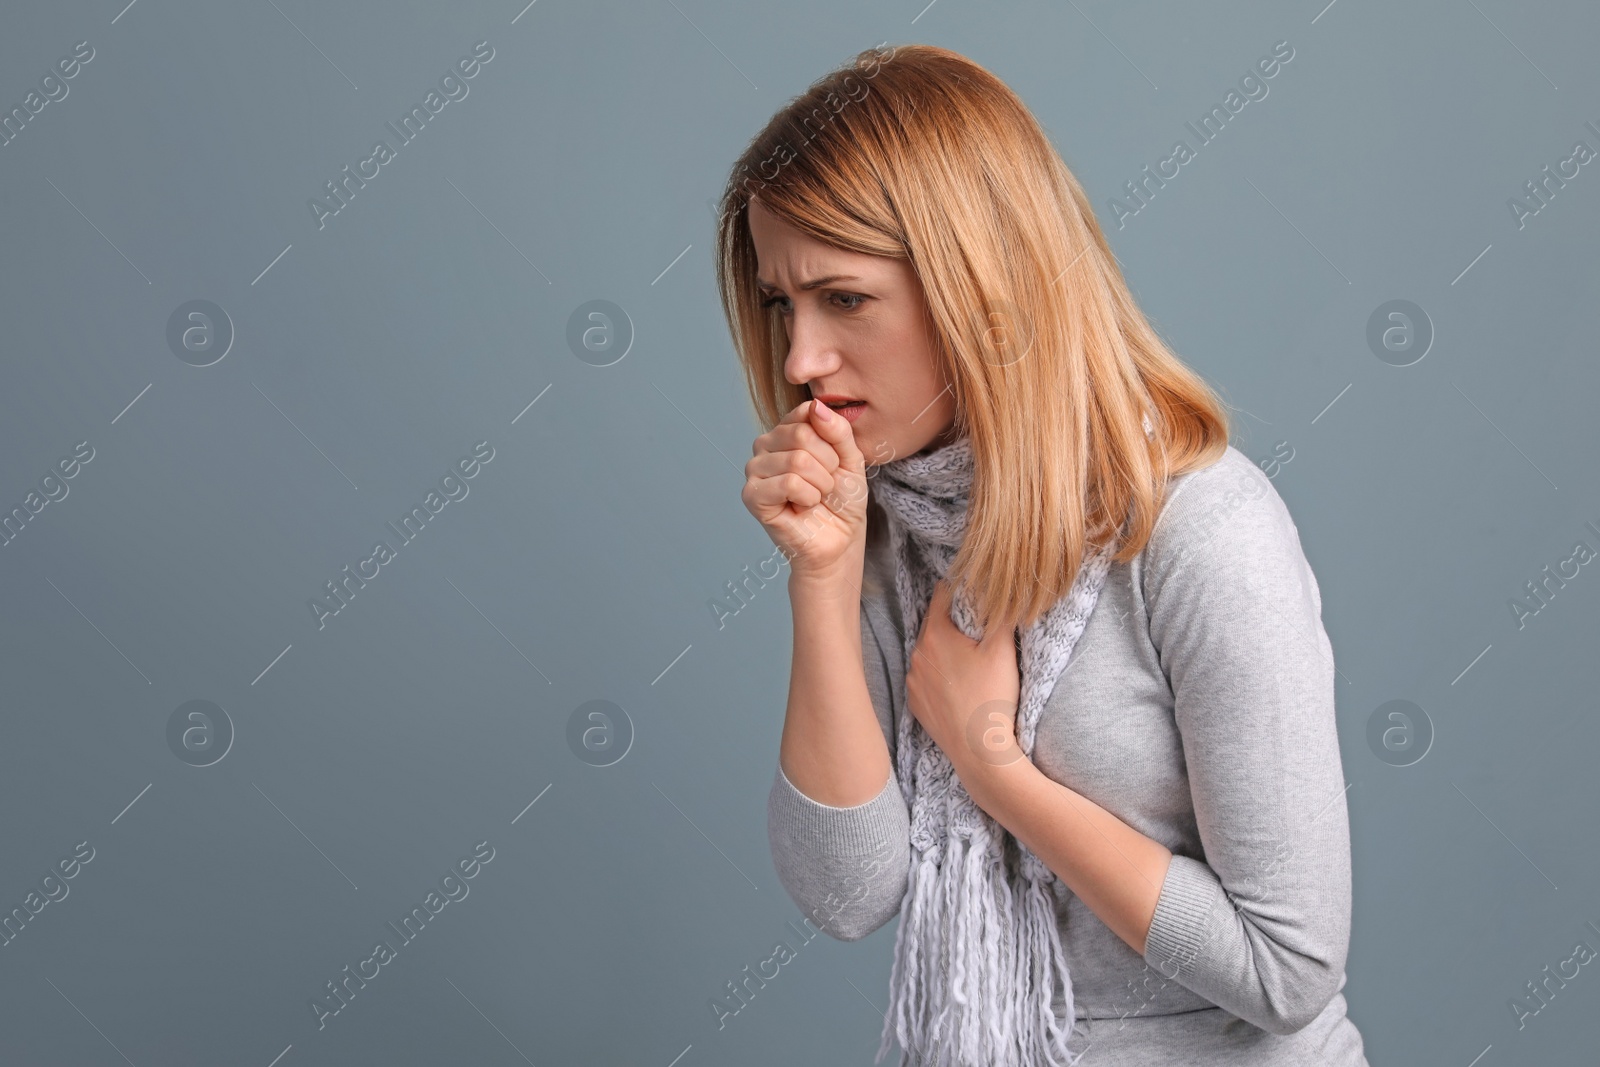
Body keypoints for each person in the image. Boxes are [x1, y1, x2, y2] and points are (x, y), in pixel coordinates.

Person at [716, 42, 1369, 1067]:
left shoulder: (1201, 528)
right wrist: (823, 574)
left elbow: (1287, 968)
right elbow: (847, 894)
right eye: (779, 304)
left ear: (978, 287)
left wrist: (992, 762)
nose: (800, 359)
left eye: (843, 298)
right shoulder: (886, 512)